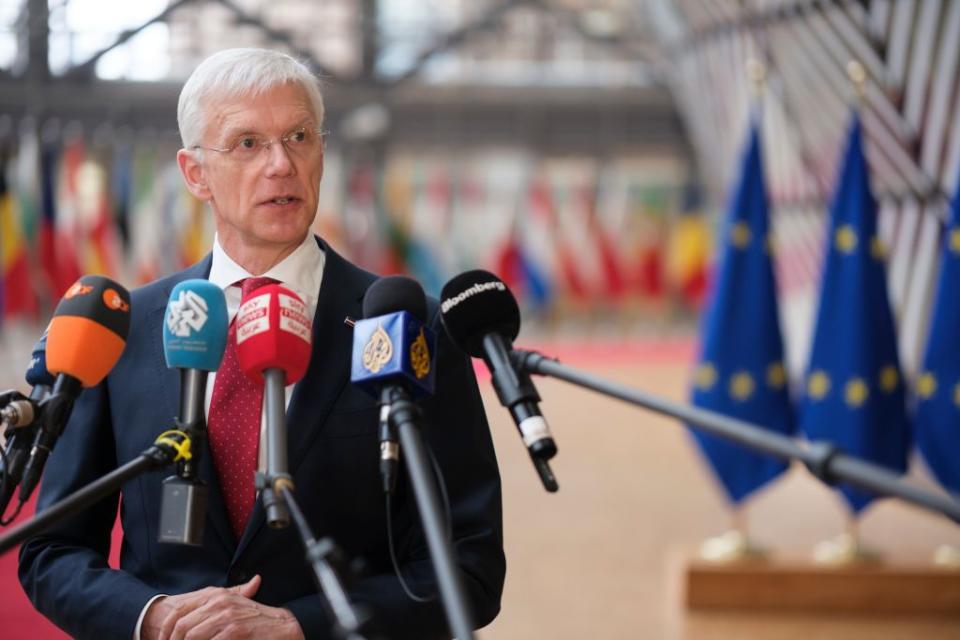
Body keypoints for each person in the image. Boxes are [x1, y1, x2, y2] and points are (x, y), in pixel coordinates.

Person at [19, 48, 505, 640]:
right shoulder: (123, 329)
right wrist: (154, 616)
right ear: (195, 173)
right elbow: (50, 551)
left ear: (321, 152)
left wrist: (298, 624)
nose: (281, 164)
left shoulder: (411, 326)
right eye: (247, 143)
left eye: (299, 136)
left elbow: (469, 566)